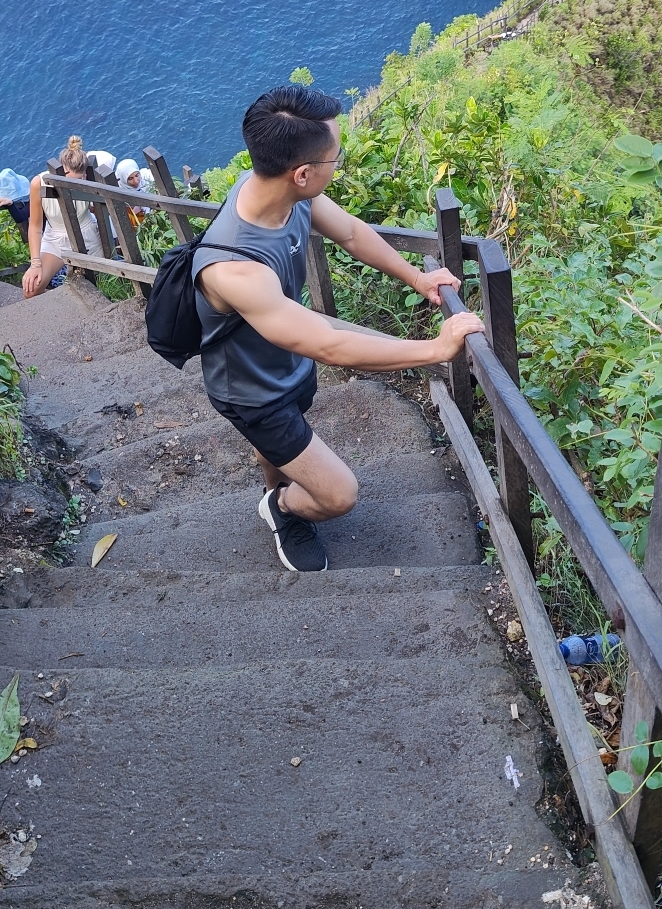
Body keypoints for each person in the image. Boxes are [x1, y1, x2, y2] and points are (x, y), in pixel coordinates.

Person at [192, 83, 485, 573]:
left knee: (283, 446)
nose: (338, 165)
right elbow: (329, 344)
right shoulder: (233, 268)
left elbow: (349, 231)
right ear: (303, 173)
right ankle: (282, 508)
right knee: (339, 495)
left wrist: (417, 277)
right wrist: (437, 348)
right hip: (251, 391)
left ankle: (277, 488)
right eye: (335, 160)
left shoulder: (280, 191)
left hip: (287, 365)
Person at [22, 136, 102, 296]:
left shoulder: (88, 178)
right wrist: (35, 264)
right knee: (31, 289)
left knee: (100, 287)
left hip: (87, 233)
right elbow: (35, 225)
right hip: (56, 238)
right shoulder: (39, 183)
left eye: (80, 179)